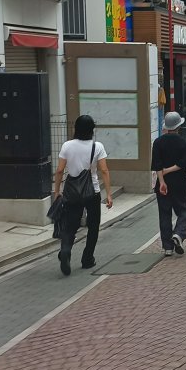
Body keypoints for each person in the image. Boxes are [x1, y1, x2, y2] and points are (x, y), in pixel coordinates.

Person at [53, 114, 112, 276]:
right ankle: (87, 259)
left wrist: (57, 191)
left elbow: (59, 170)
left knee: (70, 225)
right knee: (93, 226)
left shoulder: (67, 145)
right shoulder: (97, 146)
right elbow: (104, 170)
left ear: (76, 128)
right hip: (92, 192)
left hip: (72, 192)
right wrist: (109, 194)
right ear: (92, 129)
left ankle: (66, 250)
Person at [151, 110, 186, 256]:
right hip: (180, 181)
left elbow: (156, 165)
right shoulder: (185, 143)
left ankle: (167, 247)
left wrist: (162, 181)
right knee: (184, 211)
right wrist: (169, 170)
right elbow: (184, 164)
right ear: (178, 126)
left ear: (166, 127)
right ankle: (179, 234)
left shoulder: (158, 142)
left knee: (164, 214)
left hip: (162, 183)